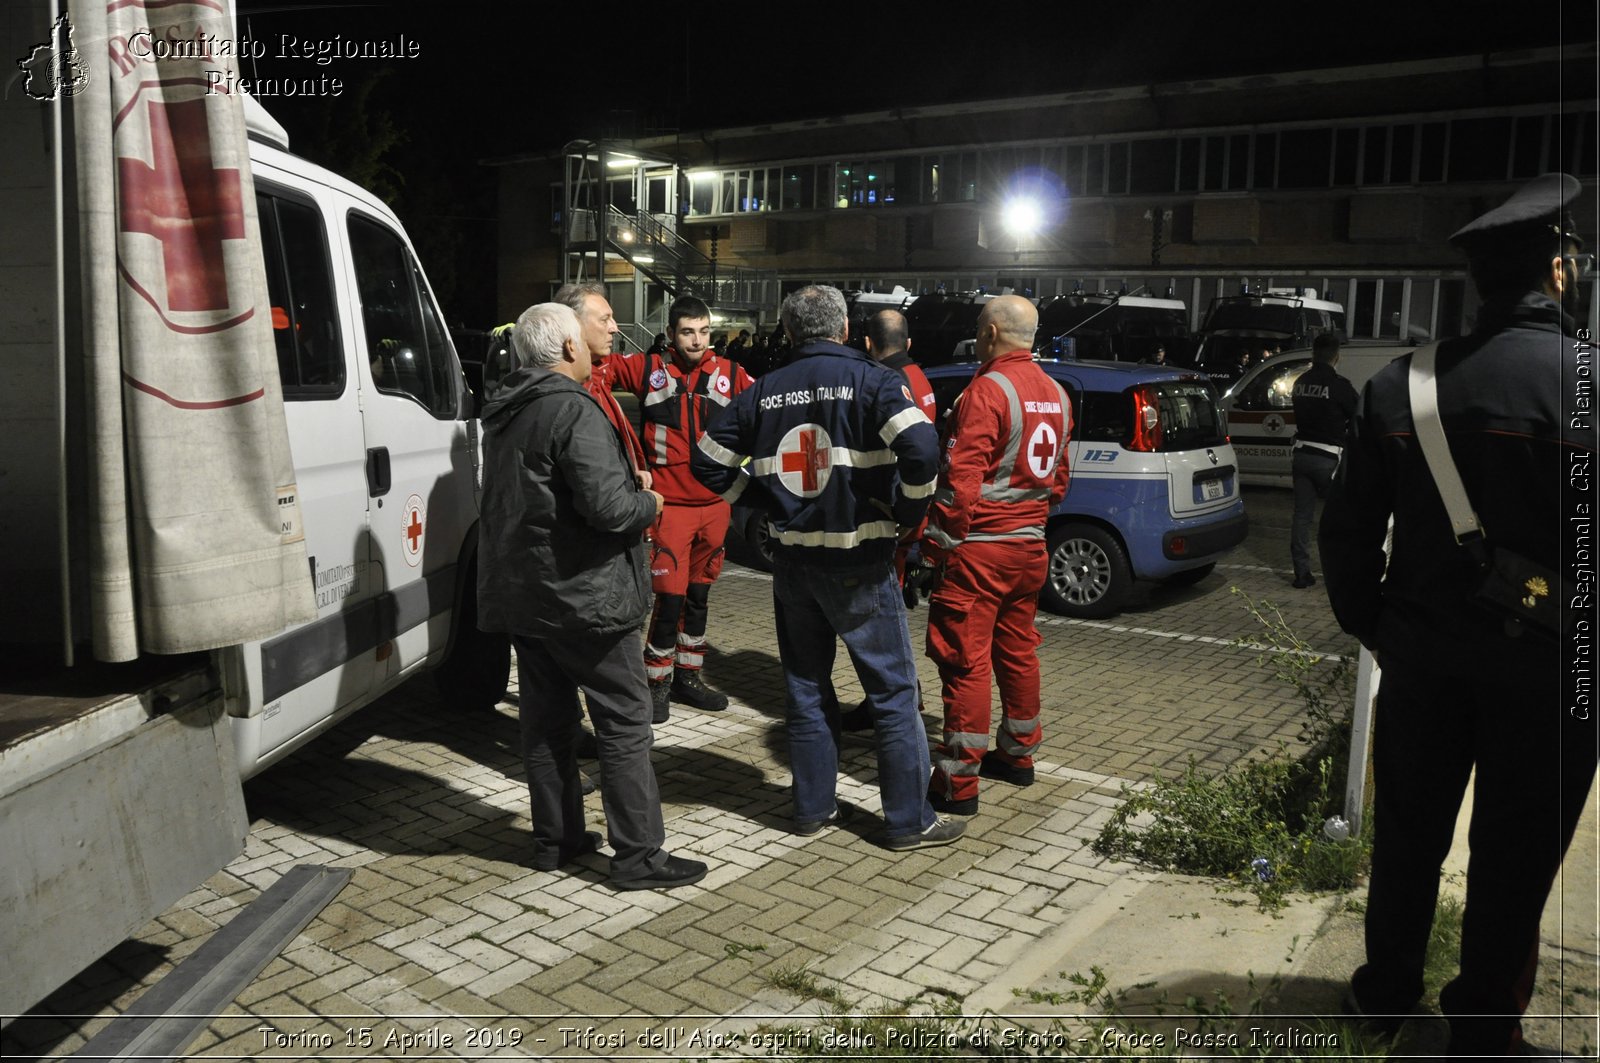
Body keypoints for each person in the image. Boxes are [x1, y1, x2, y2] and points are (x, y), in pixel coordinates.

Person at [1321, 173, 1597, 1056]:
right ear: (1559, 272)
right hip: (1555, 677)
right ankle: (1481, 1025)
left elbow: (1347, 534)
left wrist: (1384, 628)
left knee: (1407, 839)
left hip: (1424, 666)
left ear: (1477, 283)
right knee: (1516, 860)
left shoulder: (1403, 386)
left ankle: (1384, 994)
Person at [691, 285, 965, 852]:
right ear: (843, 330)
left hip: (793, 565)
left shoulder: (762, 391)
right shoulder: (875, 381)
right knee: (891, 693)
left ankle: (812, 810)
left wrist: (760, 501)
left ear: (790, 334)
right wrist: (909, 514)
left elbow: (706, 459)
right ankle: (908, 821)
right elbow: (923, 450)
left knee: (806, 690)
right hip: (861, 559)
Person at [476, 302, 707, 891]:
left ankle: (557, 840)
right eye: (586, 332)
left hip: (528, 599)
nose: (595, 339)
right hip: (586, 600)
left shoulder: (505, 409)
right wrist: (649, 504)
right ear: (566, 349)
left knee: (547, 725)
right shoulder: (571, 409)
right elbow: (608, 509)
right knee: (625, 724)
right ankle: (639, 857)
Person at [918, 295, 1071, 816]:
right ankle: (1018, 755)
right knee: (1018, 651)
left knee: (966, 662)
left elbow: (960, 482)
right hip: (1030, 548)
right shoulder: (1057, 392)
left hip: (979, 554)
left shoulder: (986, 390)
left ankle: (957, 787)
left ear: (990, 334)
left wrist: (935, 544)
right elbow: (1059, 481)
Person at [612, 295, 755, 721]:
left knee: (698, 596)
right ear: (672, 335)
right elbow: (593, 374)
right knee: (668, 600)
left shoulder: (732, 373)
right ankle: (656, 682)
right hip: (669, 508)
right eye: (688, 332)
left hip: (715, 507)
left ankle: (688, 677)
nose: (697, 340)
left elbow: (766, 411)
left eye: (704, 332)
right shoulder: (648, 369)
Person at [839, 307, 937, 734]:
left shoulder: (889, 382)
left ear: (866, 344)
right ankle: (891, 698)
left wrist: (899, 512)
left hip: (893, 518)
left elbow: (906, 455)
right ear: (909, 342)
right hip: (912, 512)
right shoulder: (922, 378)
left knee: (881, 622)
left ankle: (896, 704)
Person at [555, 283, 650, 491]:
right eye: (604, 319)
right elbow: (596, 488)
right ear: (574, 325)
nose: (615, 328)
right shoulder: (571, 395)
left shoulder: (600, 371)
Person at [1287, 333, 1356, 589]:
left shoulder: (1301, 383)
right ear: (1336, 357)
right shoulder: (1339, 385)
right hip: (1328, 459)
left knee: (1302, 517)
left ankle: (1301, 574)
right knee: (1340, 517)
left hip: (1302, 454)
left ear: (1313, 354)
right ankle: (1339, 572)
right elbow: (1358, 415)